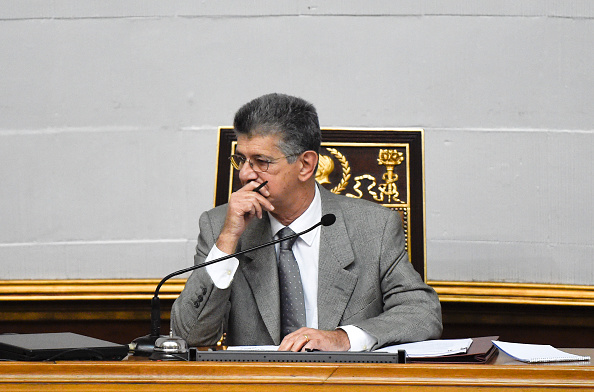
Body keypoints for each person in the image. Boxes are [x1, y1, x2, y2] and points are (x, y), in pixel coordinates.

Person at [171, 93, 442, 351]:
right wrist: (228, 238)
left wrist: (344, 338)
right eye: (241, 159)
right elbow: (191, 335)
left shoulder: (373, 227)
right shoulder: (219, 226)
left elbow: (422, 312)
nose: (244, 174)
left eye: (260, 162)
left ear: (306, 165)